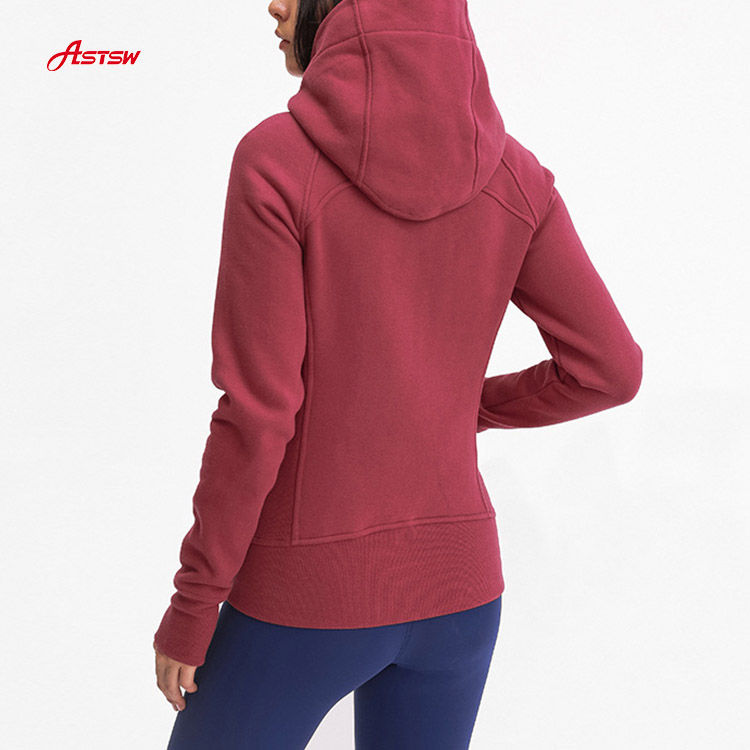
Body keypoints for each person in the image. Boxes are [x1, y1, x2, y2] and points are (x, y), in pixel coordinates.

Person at [153, 0, 643, 747]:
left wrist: (195, 602)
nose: (274, 4)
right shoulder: (517, 176)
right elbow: (610, 369)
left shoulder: (275, 159)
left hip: (305, 598)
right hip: (460, 600)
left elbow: (259, 410)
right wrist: (459, 406)